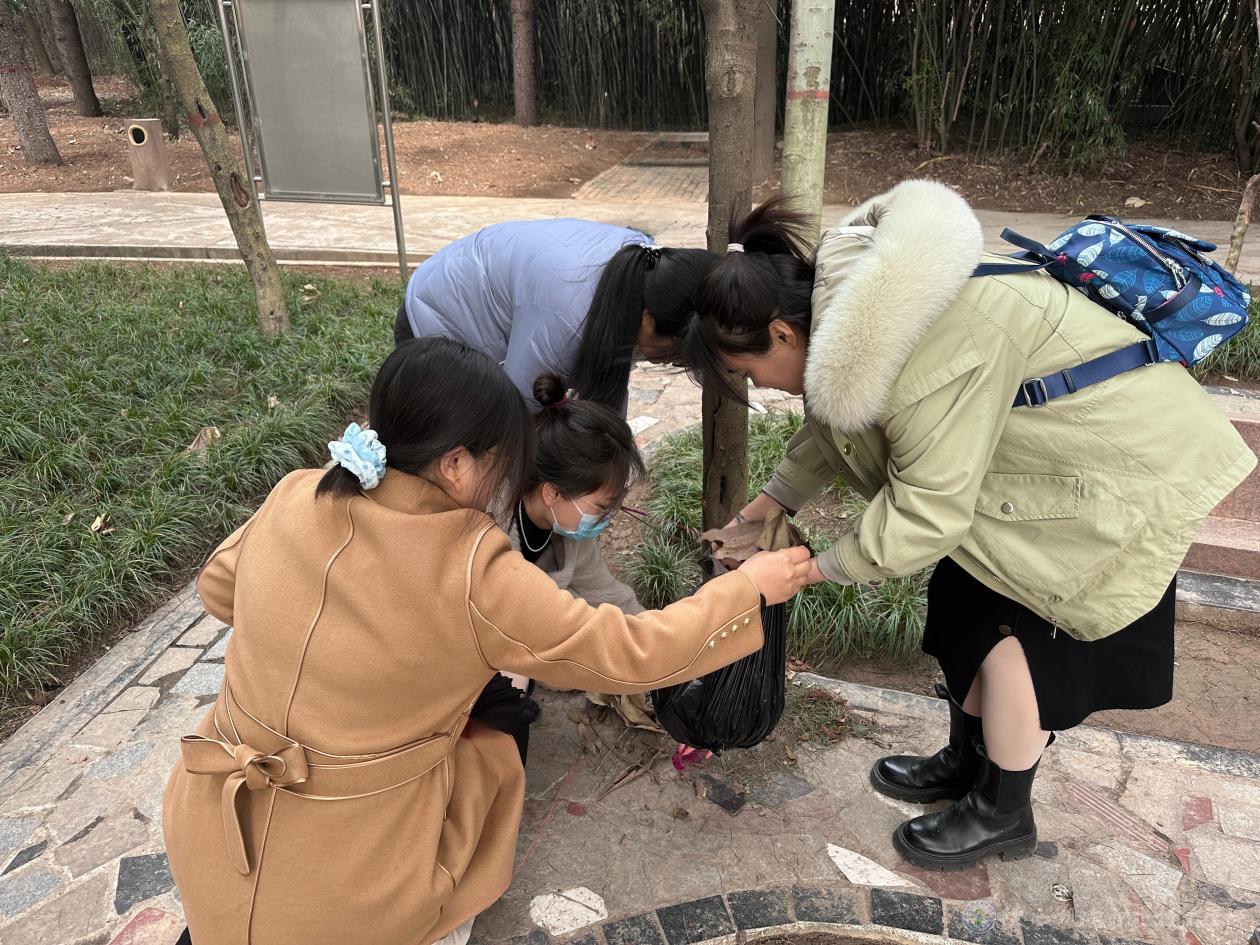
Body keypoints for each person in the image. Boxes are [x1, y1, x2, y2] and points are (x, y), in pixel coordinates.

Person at [163, 337, 813, 945]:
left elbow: (218, 590)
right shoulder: (471, 564)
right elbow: (628, 650)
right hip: (352, 883)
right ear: (454, 463)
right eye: (500, 463)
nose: (505, 480)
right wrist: (746, 590)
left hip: (211, 832)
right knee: (493, 746)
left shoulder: (298, 492)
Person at [682, 182, 1255, 871]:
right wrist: (762, 511)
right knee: (963, 609)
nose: (760, 385)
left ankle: (1002, 811)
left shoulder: (918, 342)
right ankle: (967, 761)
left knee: (1018, 642)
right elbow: (839, 423)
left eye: (747, 371)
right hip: (1028, 467)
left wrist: (809, 569)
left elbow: (927, 510)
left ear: (781, 332)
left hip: (1112, 472)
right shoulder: (859, 313)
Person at [394, 218, 716, 409]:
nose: (674, 361)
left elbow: (605, 391)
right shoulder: (567, 317)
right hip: (436, 322)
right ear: (648, 318)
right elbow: (519, 413)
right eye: (676, 351)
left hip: (486, 294)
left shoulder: (643, 272)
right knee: (463, 455)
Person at [506, 373, 657, 736]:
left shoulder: (566, 530)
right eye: (601, 506)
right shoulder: (490, 526)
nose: (607, 518)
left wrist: (659, 648)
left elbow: (607, 593)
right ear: (553, 493)